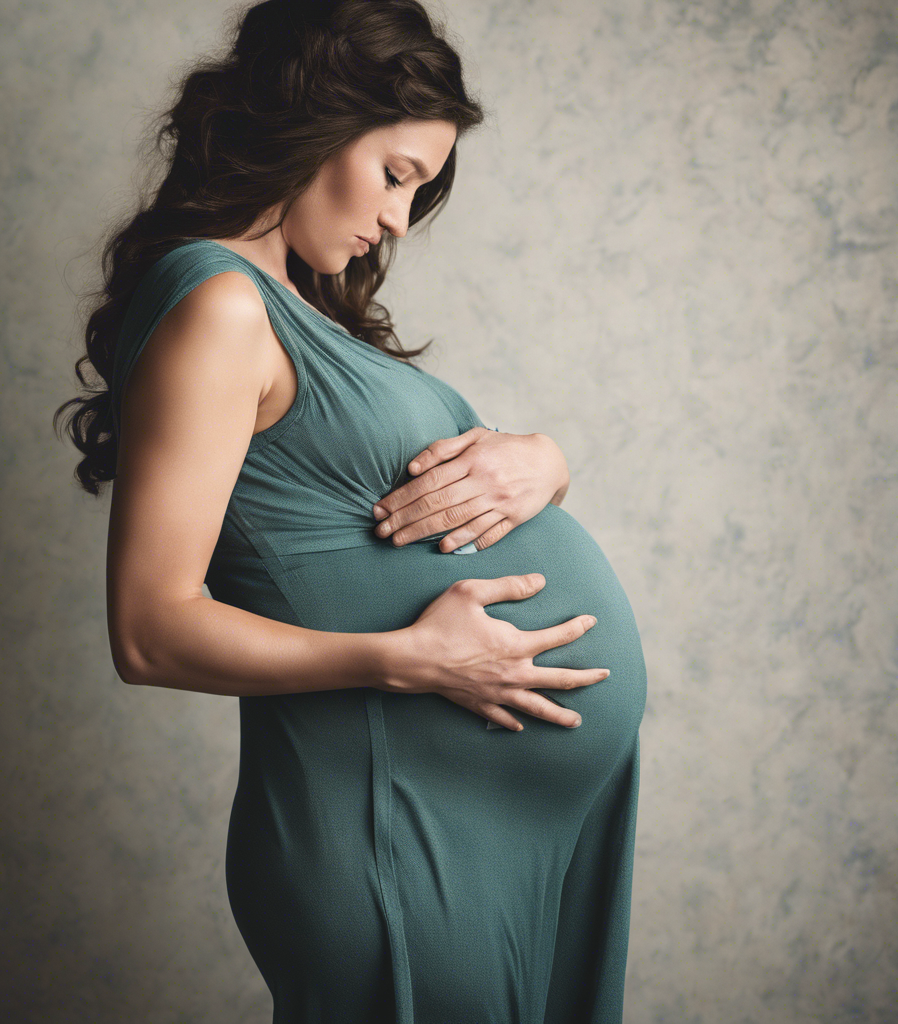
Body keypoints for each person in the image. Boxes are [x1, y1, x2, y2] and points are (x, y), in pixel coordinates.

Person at [55, 1, 648, 1020]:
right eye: (396, 176)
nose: (396, 221)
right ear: (314, 120)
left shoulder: (285, 302)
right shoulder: (218, 303)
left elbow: (391, 500)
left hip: (473, 824)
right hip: (393, 832)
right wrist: (404, 657)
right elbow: (150, 630)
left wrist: (545, 463)